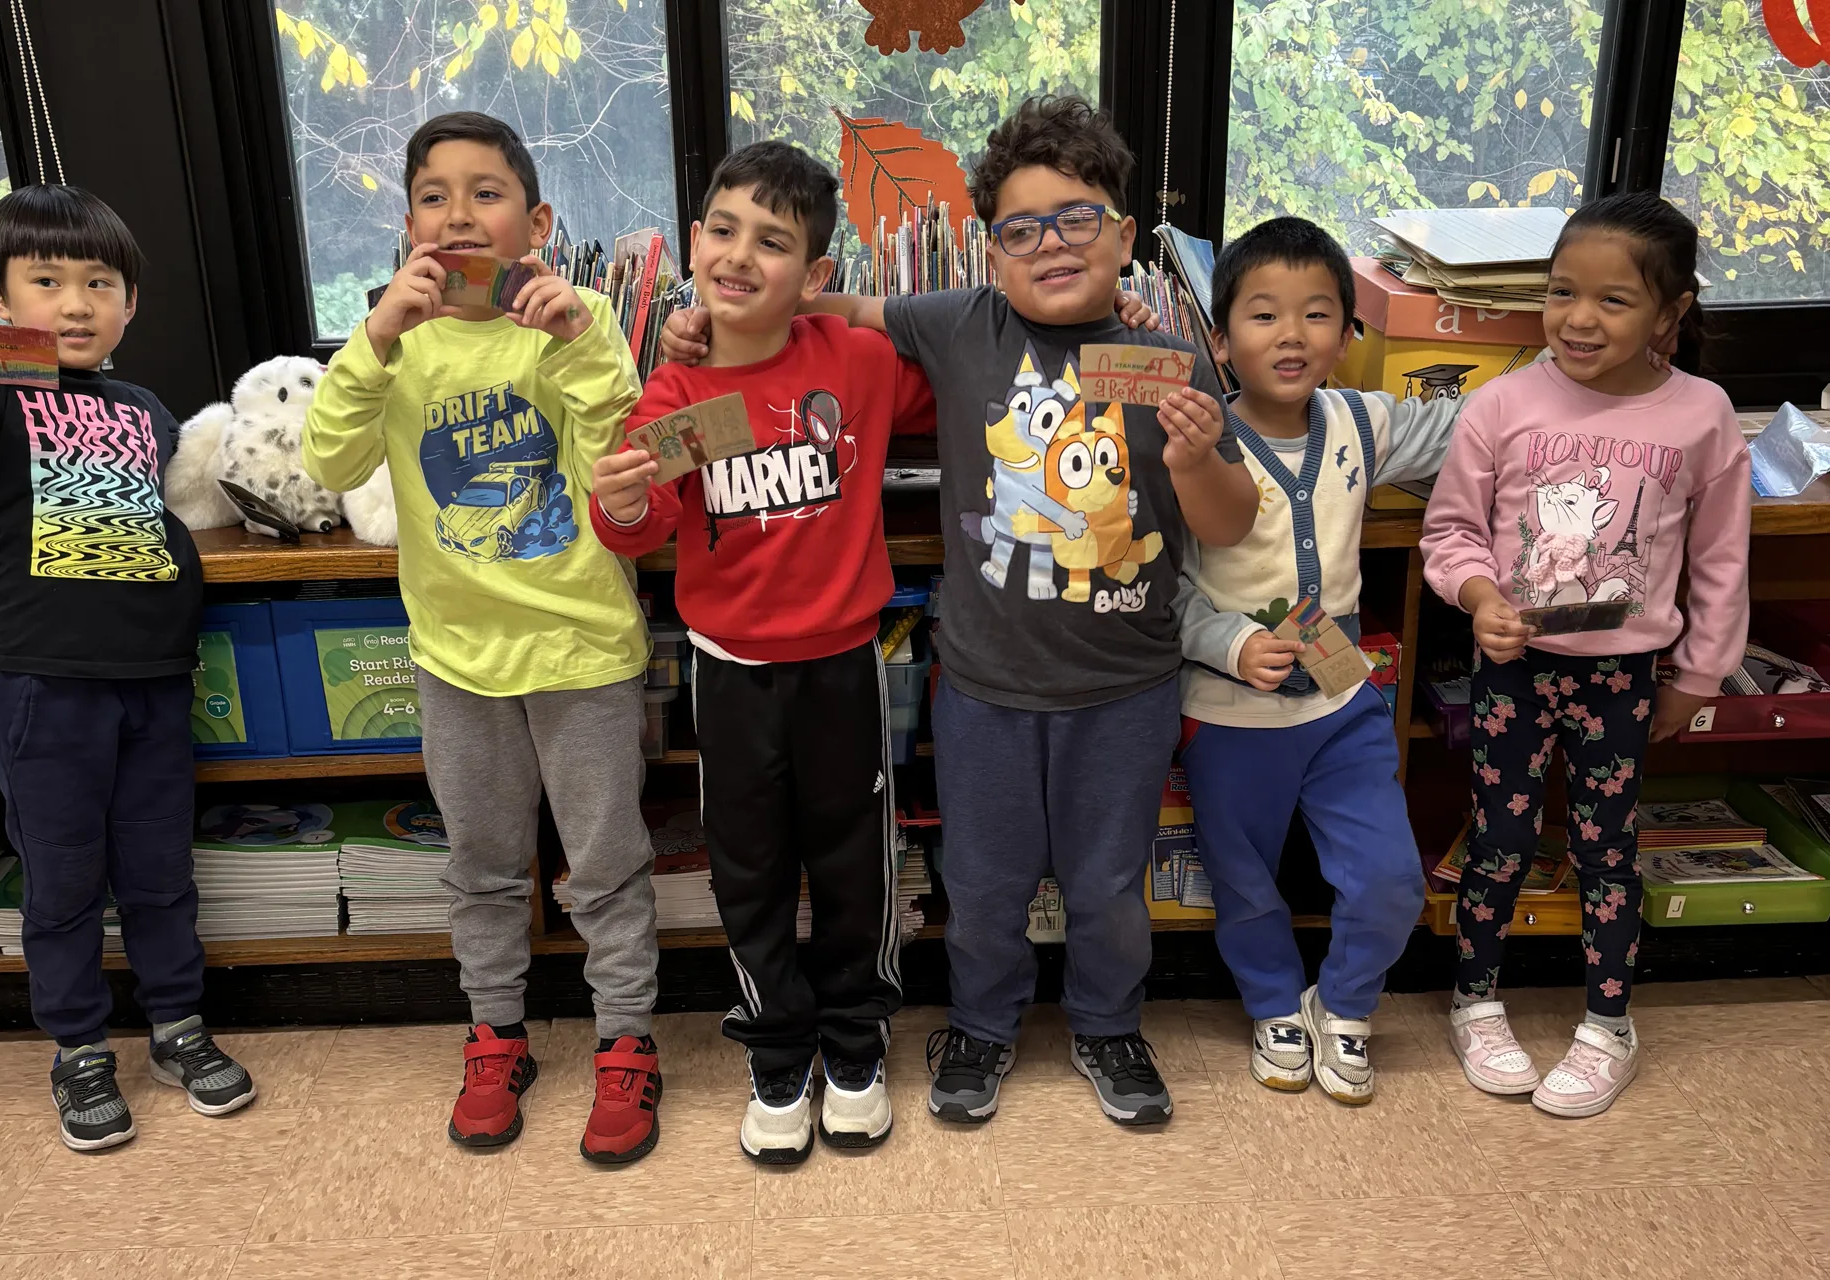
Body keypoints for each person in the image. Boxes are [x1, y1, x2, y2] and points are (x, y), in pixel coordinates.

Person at [669, 94, 1256, 1127]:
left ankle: (1108, 1019)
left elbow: (1231, 516)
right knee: (980, 883)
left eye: (1078, 218)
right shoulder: (957, 324)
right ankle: (981, 1023)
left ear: (1123, 236)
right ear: (990, 254)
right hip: (983, 688)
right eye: (1021, 229)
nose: (1052, 244)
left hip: (1124, 689)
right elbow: (831, 315)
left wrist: (1200, 454)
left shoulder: (1171, 360)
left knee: (1111, 884)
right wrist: (708, 326)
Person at [302, 112, 664, 1161]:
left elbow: (621, 466)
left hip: (582, 648)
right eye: (434, 194)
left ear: (537, 220)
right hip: (456, 657)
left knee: (605, 865)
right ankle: (496, 1033)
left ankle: (627, 1040)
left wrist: (581, 343)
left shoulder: (577, 316)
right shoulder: (393, 332)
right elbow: (330, 462)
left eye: (487, 192)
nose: (459, 213)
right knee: (484, 864)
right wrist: (374, 339)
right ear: (407, 221)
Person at [591, 141, 935, 1164]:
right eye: (726, 231)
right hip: (728, 670)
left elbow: (968, 366)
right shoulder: (670, 395)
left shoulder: (860, 364)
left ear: (815, 274)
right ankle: (776, 1043)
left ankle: (855, 1037)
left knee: (852, 860)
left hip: (843, 665)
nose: (741, 257)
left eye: (774, 243)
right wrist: (616, 501)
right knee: (748, 867)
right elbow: (630, 522)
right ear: (695, 242)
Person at [0, 184, 254, 1151]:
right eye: (47, 280)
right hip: (40, 685)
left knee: (158, 870)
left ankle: (178, 1025)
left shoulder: (143, 407)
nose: (74, 303)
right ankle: (77, 1048)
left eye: (98, 282)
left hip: (151, 679)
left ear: (130, 302)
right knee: (61, 879)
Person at [1421, 191, 1750, 1118]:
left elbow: (1722, 560)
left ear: (1671, 312)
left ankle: (1609, 1022)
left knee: (1611, 848)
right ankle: (1476, 998)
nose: (1578, 318)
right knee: (1502, 840)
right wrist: (1481, 597)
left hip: (1625, 676)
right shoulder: (1502, 403)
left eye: (1614, 300)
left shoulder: (1704, 415)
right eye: (1563, 292)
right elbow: (1450, 536)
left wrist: (1702, 675)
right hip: (1515, 670)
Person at [1177, 216, 1460, 1105]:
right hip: (1230, 714)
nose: (1291, 335)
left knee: (1387, 874)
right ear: (1220, 342)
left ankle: (1344, 1003)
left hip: (1343, 699)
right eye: (1263, 316)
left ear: (1349, 333)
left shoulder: (1362, 423)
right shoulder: (1197, 443)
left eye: (1317, 314)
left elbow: (1471, 425)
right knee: (1244, 880)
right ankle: (1272, 1004)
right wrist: (1230, 642)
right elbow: (1164, 591)